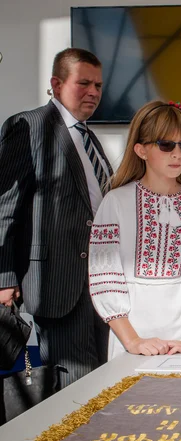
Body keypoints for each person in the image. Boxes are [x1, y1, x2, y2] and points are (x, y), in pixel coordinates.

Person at [0, 48, 112, 387]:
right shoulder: (29, 126)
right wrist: (4, 276)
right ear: (56, 83)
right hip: (56, 280)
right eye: (84, 83)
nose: (93, 92)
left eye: (98, 85)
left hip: (98, 280)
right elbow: (5, 207)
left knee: (99, 373)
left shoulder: (89, 137)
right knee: (73, 381)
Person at [88, 101, 181, 359]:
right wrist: (132, 341)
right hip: (130, 334)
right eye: (166, 145)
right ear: (140, 150)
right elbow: (104, 277)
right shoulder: (116, 202)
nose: (177, 154)